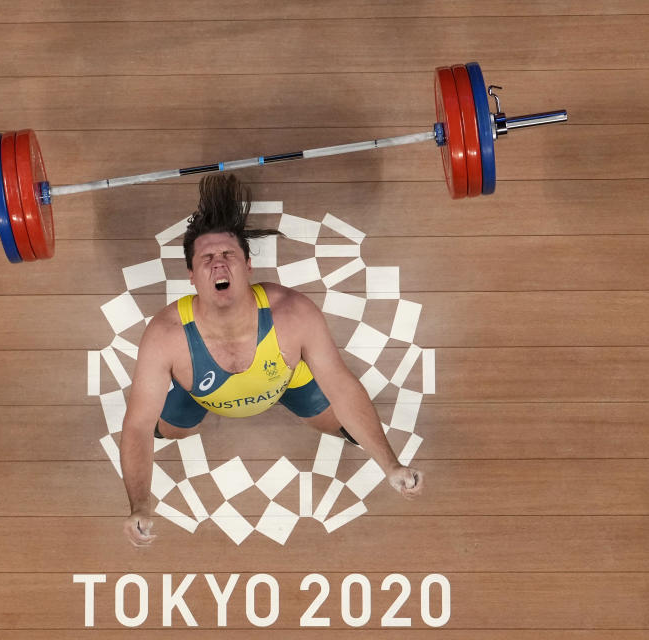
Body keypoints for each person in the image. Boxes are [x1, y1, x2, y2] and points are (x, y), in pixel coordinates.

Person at [120, 175, 423, 547]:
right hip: (197, 394)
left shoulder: (293, 314)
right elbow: (136, 426)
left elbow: (341, 385)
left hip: (286, 380)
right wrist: (139, 505)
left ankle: (329, 421)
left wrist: (390, 464)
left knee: (350, 430)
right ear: (191, 276)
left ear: (248, 265)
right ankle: (187, 418)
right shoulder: (165, 336)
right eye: (207, 259)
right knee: (163, 432)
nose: (219, 265)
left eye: (228, 256)